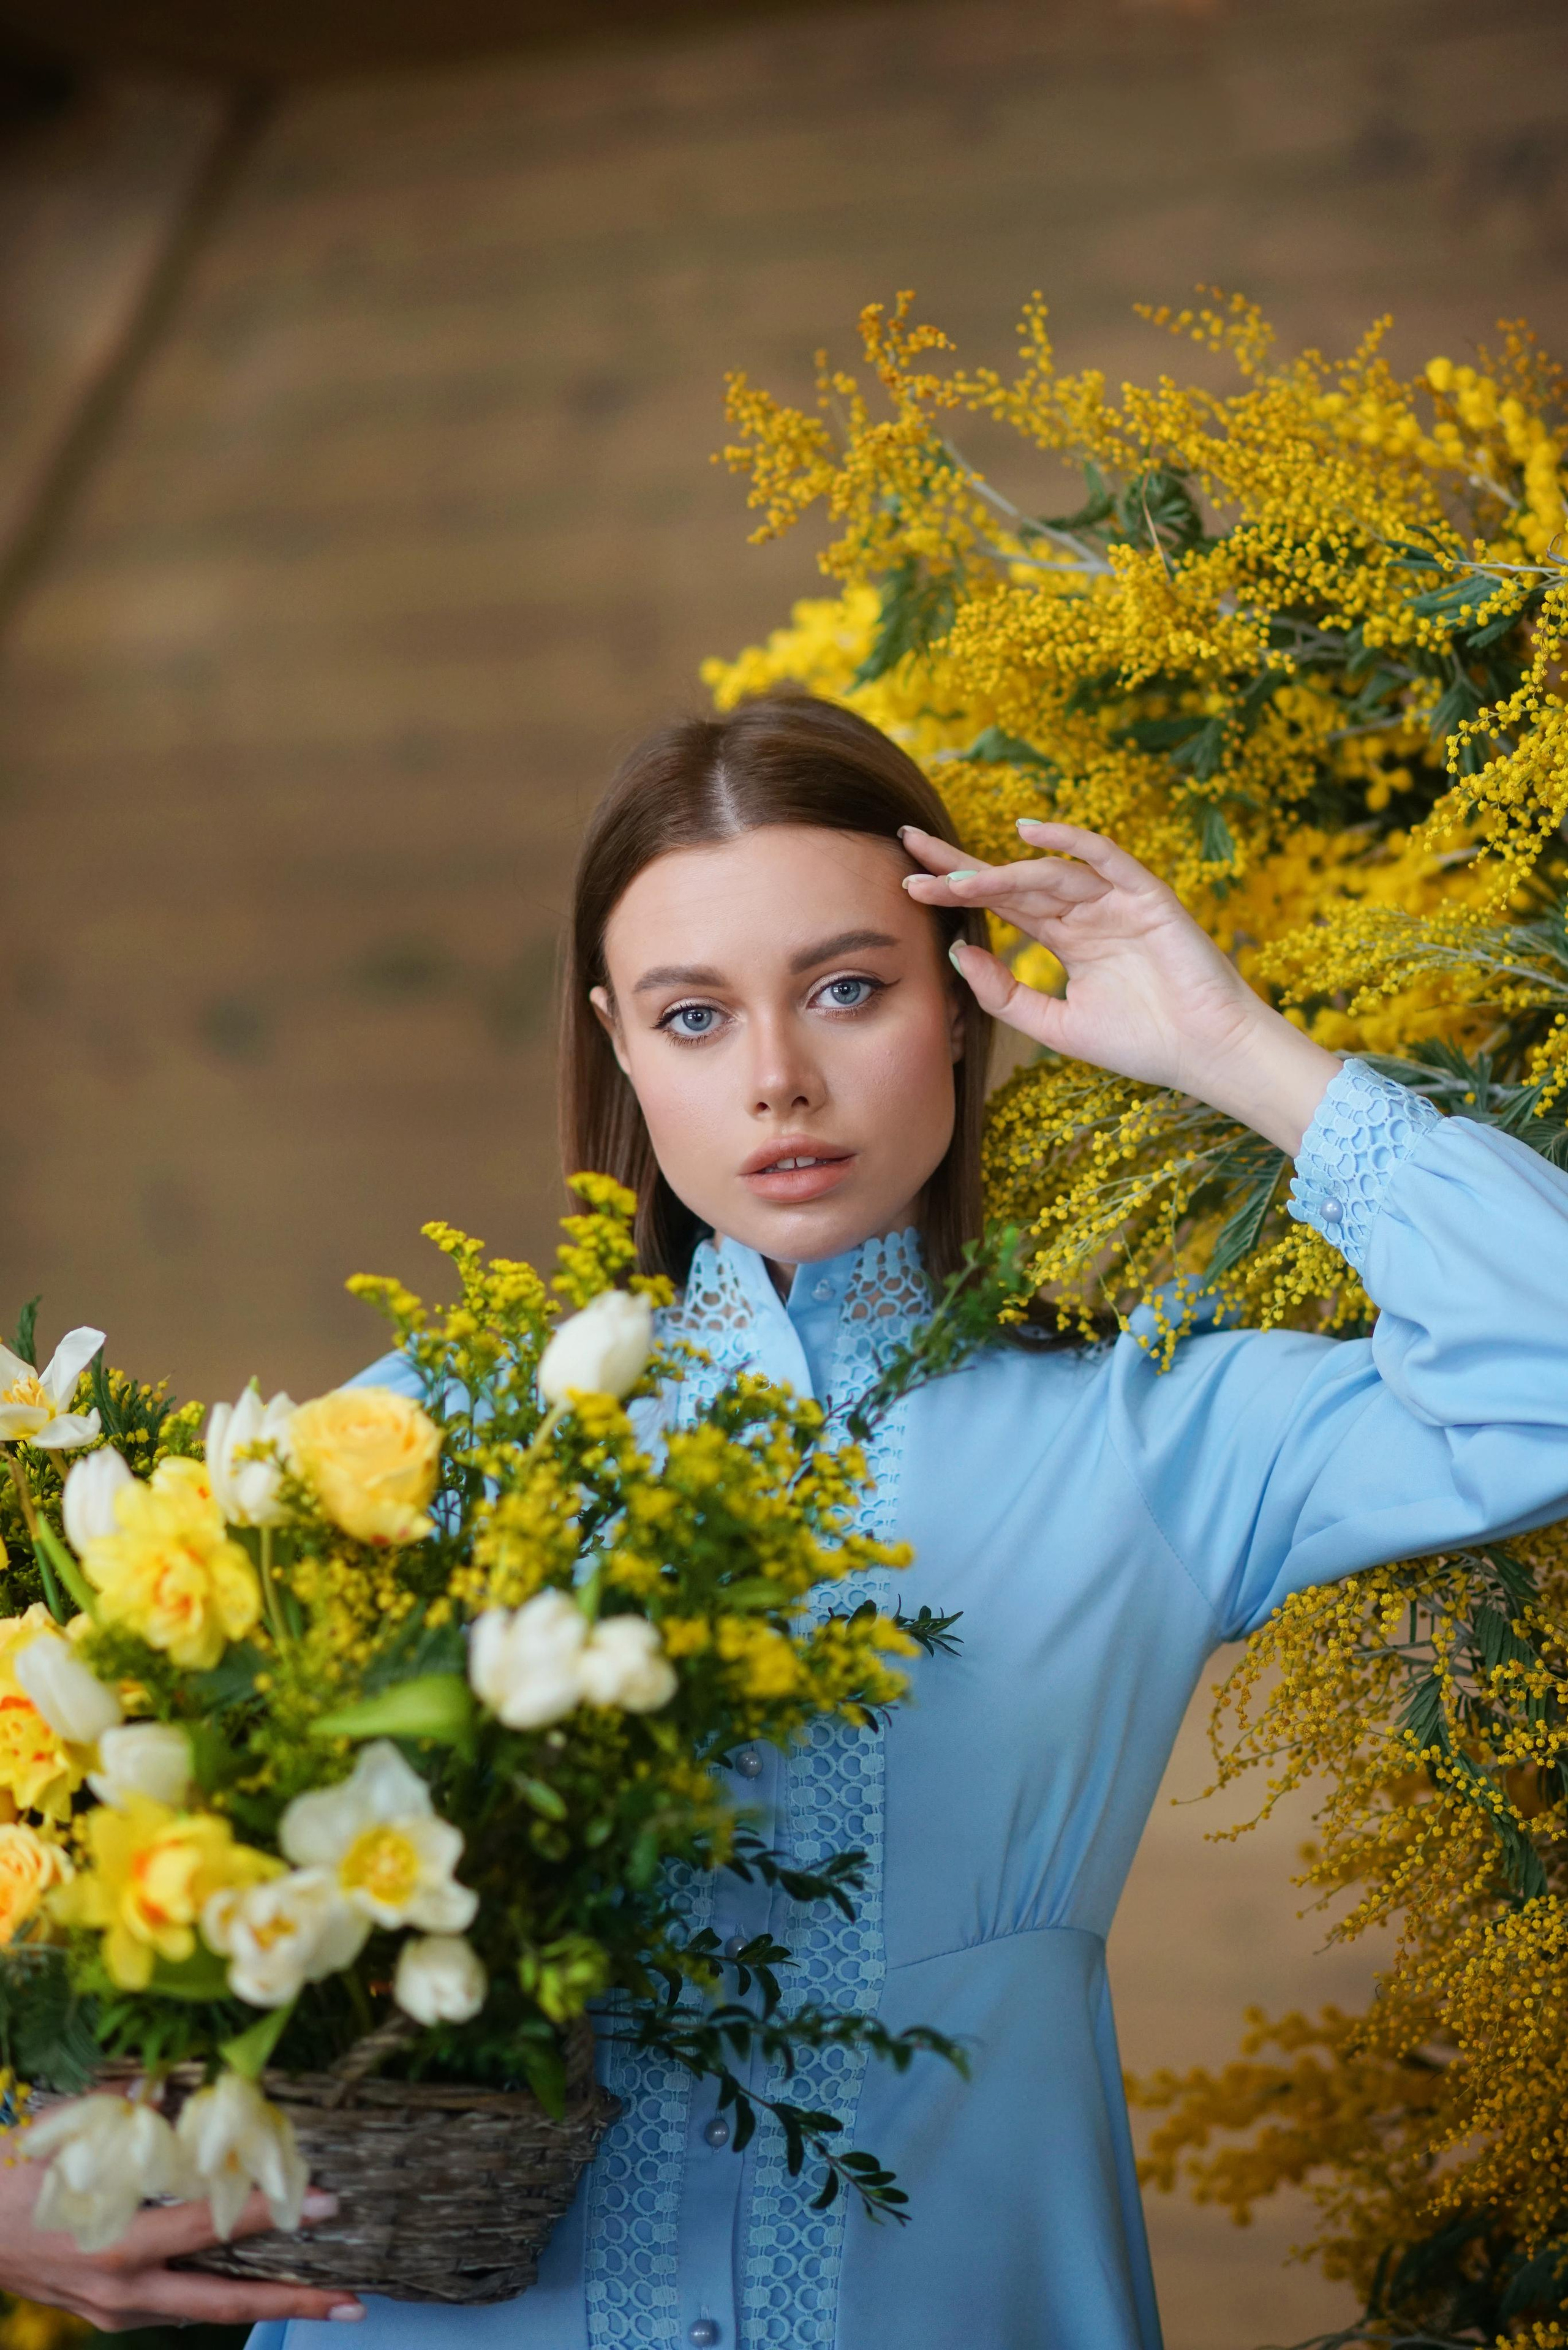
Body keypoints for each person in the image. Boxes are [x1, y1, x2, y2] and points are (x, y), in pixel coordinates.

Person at [7, 693, 1567, 2345]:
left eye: (847, 989)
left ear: (960, 1006)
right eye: (693, 1017)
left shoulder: (1155, 1434)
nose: (778, 1080)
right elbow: (77, 1798)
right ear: (614, 1038)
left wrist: (1225, 1041)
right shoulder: (425, 1435)